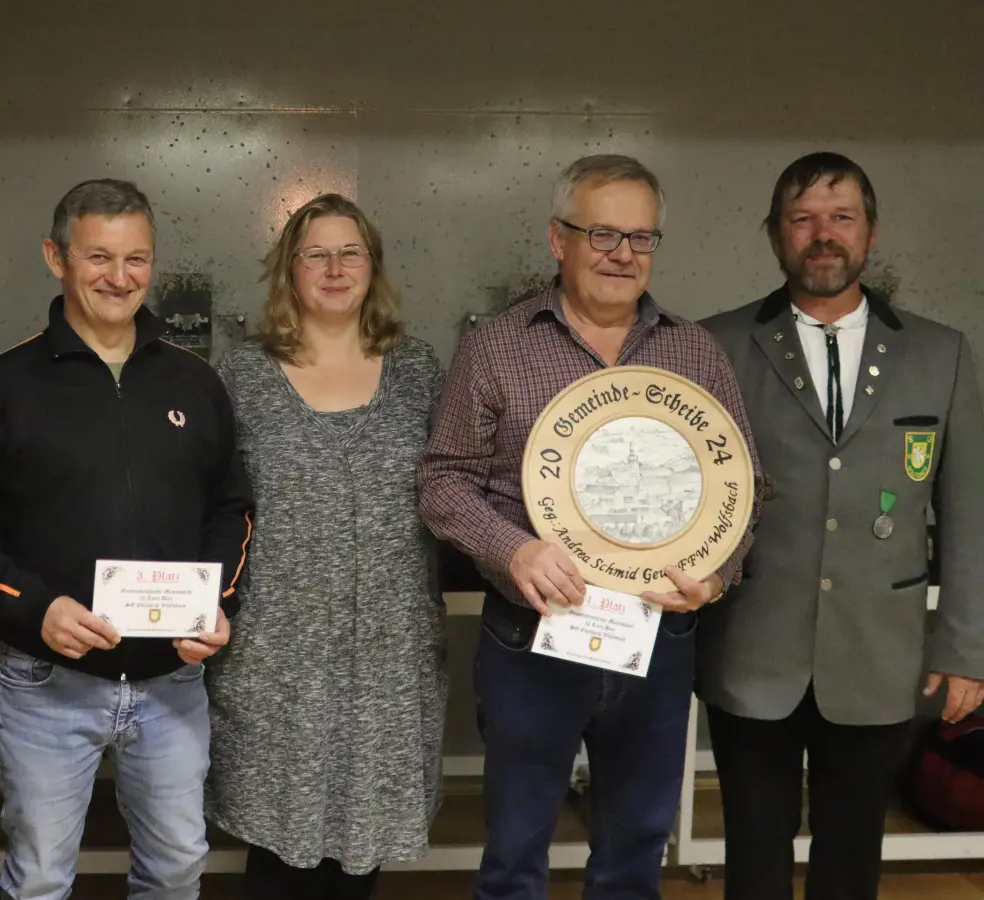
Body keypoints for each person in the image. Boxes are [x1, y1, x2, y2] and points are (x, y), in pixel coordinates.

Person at [417, 154, 758, 900]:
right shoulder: (497, 345)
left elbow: (745, 493)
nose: (622, 255)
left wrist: (716, 577)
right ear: (557, 239)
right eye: (602, 234)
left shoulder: (694, 351)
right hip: (534, 637)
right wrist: (514, 548)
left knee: (636, 851)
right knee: (514, 852)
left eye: (641, 238)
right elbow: (442, 482)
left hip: (657, 641)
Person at [0, 178, 254, 900]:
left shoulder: (195, 381)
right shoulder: (3, 386)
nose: (120, 277)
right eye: (98, 257)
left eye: (137, 259)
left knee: (177, 868)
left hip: (172, 681)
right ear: (56, 257)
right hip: (47, 682)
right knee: (40, 878)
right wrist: (33, 608)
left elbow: (232, 508)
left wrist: (218, 601)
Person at [698, 152, 984, 900]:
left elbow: (969, 511)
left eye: (842, 217)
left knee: (851, 861)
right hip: (751, 647)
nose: (822, 234)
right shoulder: (714, 345)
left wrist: (967, 649)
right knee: (754, 859)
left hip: (879, 653)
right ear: (773, 236)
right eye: (802, 219)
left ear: (871, 233)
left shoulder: (940, 352)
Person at [206, 193, 447, 899]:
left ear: (374, 267)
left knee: (360, 846)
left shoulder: (419, 371)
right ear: (289, 268)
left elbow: (456, 483)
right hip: (278, 654)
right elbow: (214, 503)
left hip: (387, 654)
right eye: (316, 253)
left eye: (352, 252)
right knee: (278, 844)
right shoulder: (242, 373)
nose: (335, 268)